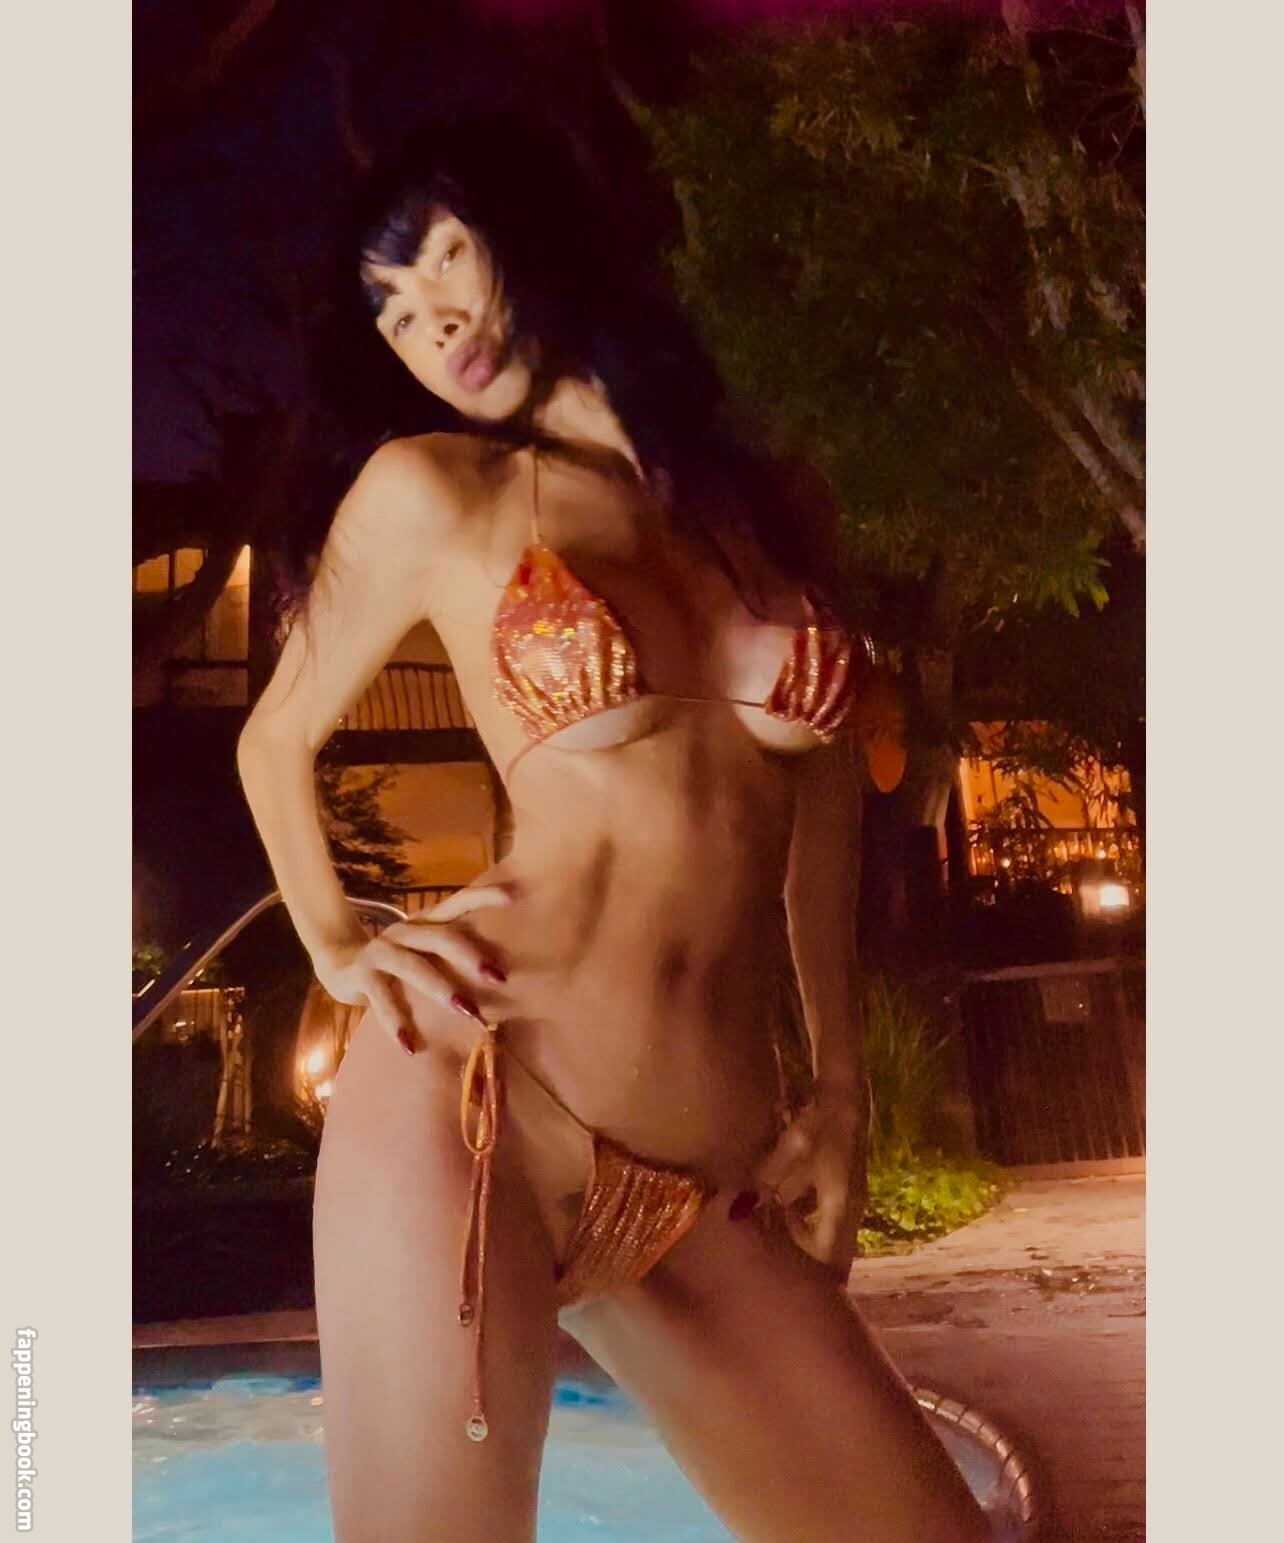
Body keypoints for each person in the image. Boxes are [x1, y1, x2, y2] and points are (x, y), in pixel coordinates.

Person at [237, 113, 988, 1543]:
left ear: (531, 230)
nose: (427, 322)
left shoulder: (767, 506)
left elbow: (822, 790)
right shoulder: (435, 494)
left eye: (442, 260)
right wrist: (341, 945)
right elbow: (273, 741)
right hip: (481, 1104)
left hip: (711, 1183)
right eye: (391, 313)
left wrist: (840, 1084)